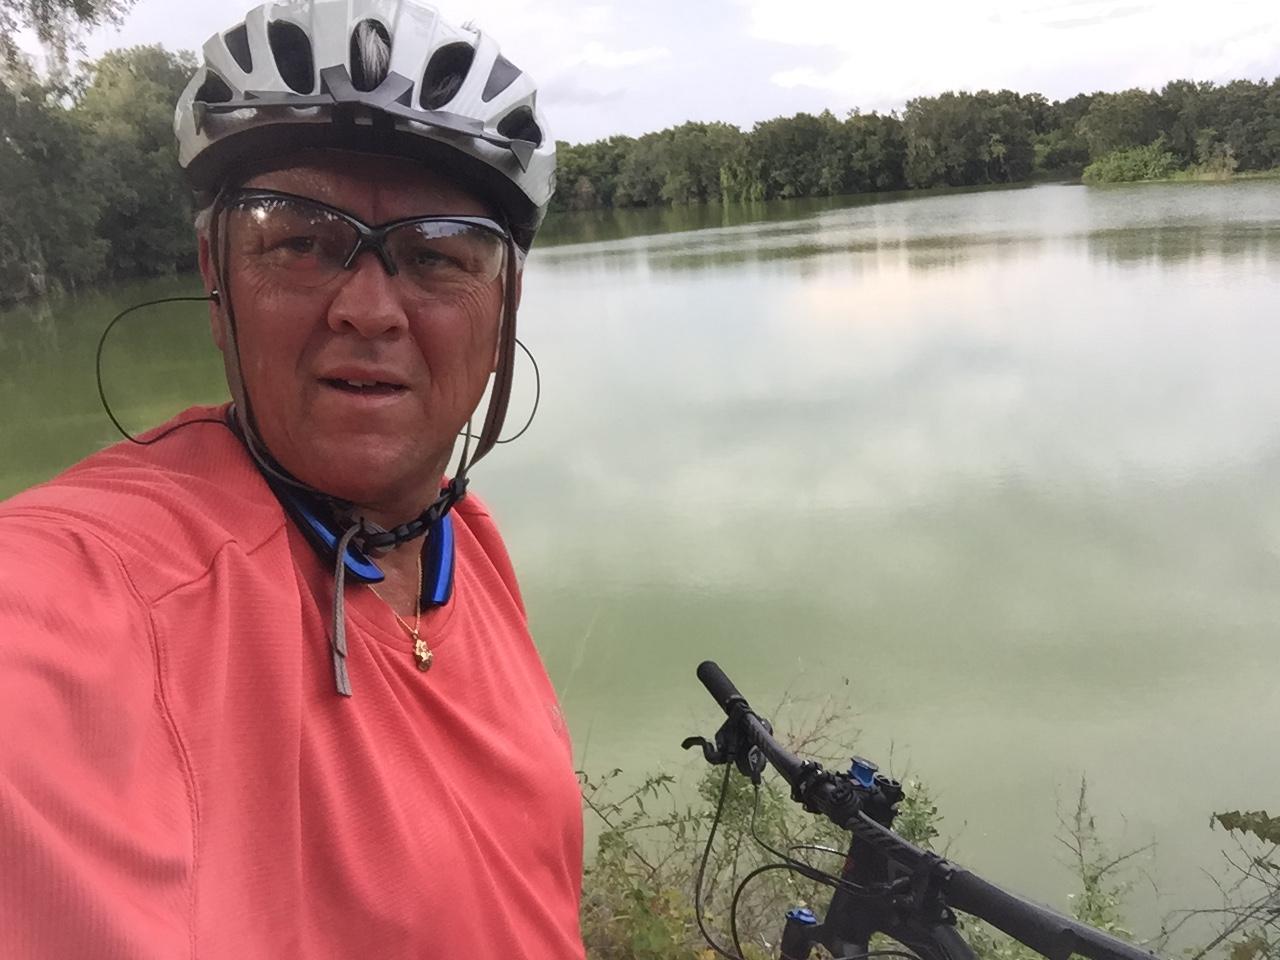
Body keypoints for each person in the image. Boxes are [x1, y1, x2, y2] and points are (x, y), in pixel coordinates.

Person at [0, 2, 585, 957]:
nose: (367, 308)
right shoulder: (125, 585)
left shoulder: (460, 536)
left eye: (436, 254)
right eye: (301, 240)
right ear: (216, 274)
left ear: (505, 304)